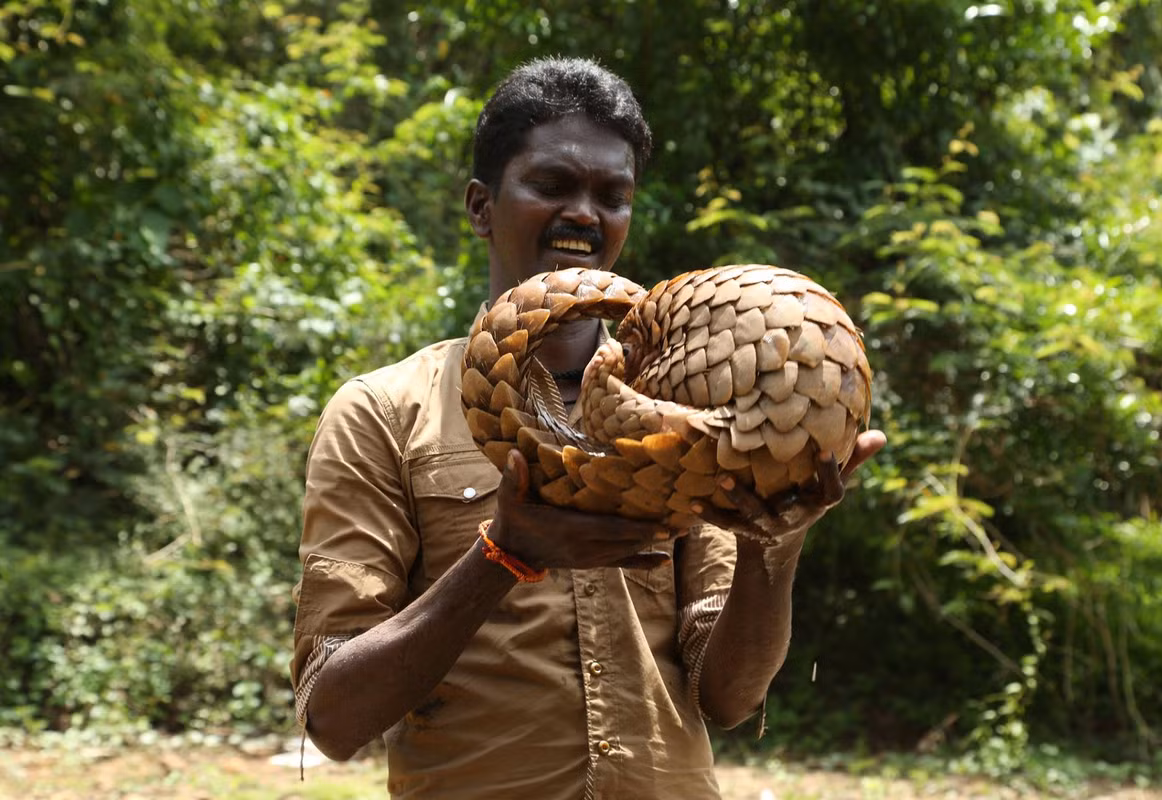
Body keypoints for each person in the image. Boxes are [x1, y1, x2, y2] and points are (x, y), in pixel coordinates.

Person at [290, 56, 886, 799]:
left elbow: (728, 697)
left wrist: (777, 542)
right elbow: (335, 717)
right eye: (551, 185)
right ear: (481, 206)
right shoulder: (383, 412)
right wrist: (501, 558)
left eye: (613, 195)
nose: (585, 214)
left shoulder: (694, 413)